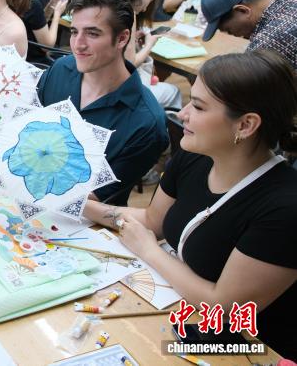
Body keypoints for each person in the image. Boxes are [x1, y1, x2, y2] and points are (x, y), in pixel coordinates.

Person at [82, 50, 297, 360]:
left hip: (244, 347)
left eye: (197, 106)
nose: (182, 114)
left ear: (246, 125)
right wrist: (79, 205)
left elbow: (224, 306)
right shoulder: (195, 154)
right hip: (179, 312)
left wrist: (150, 251)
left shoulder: (284, 208)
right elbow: (152, 221)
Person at [37, 0, 169, 204]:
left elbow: (96, 197)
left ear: (122, 38)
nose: (78, 45)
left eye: (92, 33)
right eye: (74, 32)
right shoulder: (60, 69)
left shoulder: (146, 123)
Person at [113, 0, 182, 109]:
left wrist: (132, 38)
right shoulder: (129, 12)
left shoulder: (108, 2)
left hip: (98, 80)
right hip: (119, 90)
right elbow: (130, 63)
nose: (145, 9)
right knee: (174, 91)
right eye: (150, 0)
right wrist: (150, 44)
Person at [201, 0, 297, 69]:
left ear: (242, 10)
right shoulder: (291, 2)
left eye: (228, 30)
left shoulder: (268, 43)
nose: (233, 34)